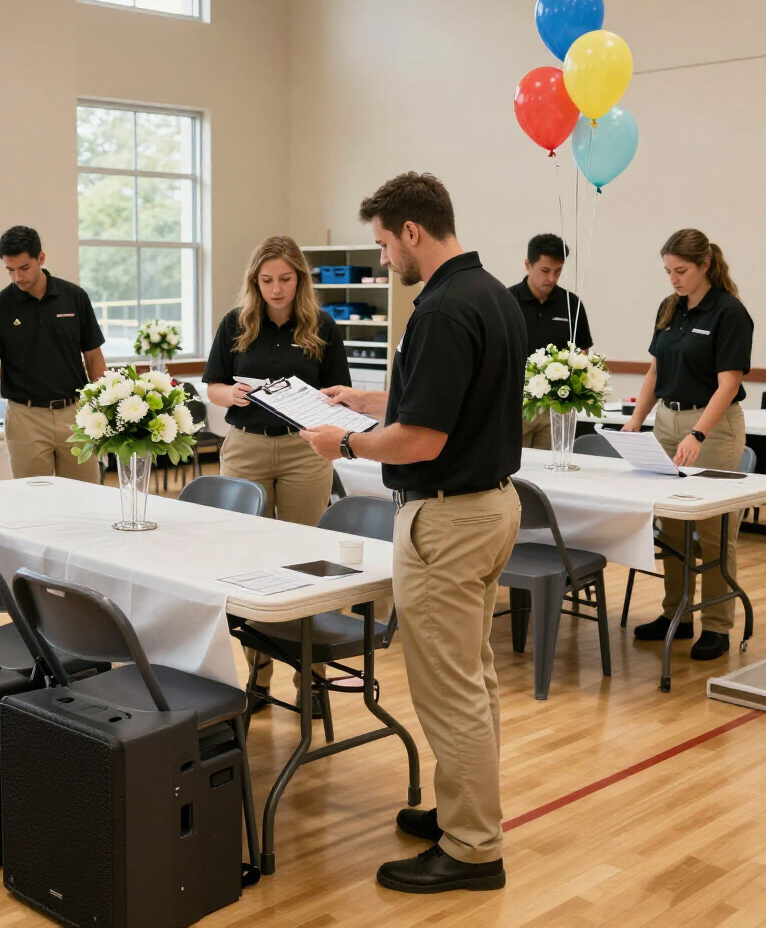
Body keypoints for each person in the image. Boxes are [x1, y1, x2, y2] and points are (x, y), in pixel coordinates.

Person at [301, 172, 526, 893]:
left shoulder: (440, 309)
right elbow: (451, 397)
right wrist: (368, 399)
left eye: (382, 244)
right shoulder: (492, 295)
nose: (381, 259)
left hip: (448, 517)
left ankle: (472, 848)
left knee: (448, 688)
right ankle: (463, 811)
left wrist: (344, 442)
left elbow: (423, 439)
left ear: (411, 231)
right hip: (492, 506)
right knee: (474, 677)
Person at [204, 235, 351, 714]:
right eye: (266, 280)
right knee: (251, 561)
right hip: (246, 447)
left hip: (303, 450)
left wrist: (317, 398)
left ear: (299, 279)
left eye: (285, 279)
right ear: (255, 281)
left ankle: (312, 680)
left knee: (306, 560)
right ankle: (258, 679)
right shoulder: (237, 322)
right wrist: (232, 395)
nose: (276, 288)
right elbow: (213, 385)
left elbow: (341, 392)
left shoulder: (322, 325)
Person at [622, 229, 752, 661]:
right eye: (668, 271)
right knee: (672, 524)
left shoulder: (729, 313)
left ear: (704, 265)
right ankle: (676, 614)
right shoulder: (669, 307)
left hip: (713, 424)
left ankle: (716, 624)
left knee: (713, 530)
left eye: (680, 270)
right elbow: (655, 372)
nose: (674, 279)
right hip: (666, 420)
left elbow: (728, 384)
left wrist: (698, 433)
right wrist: (636, 421)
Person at [0, 226, 106, 482]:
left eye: (24, 268)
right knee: (32, 497)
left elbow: (94, 356)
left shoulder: (75, 297)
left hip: (76, 412)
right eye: (10, 270)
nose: (17, 277)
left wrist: (105, 409)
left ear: (41, 258)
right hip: (25, 418)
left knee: (86, 494)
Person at [509, 233, 593, 448]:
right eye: (545, 271)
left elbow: (582, 352)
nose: (551, 278)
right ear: (528, 265)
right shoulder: (507, 301)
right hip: (516, 404)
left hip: (556, 406)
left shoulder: (571, 304)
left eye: (558, 271)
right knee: (514, 464)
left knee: (553, 463)